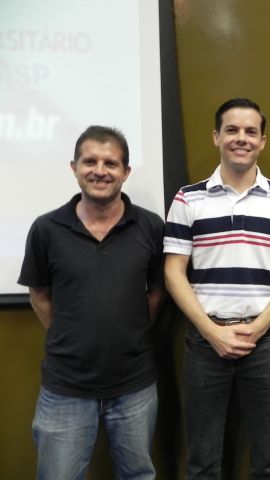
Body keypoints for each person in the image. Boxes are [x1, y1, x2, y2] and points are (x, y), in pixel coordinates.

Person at [163, 98, 270, 479]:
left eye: (250, 132)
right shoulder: (187, 198)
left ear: (262, 141)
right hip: (204, 342)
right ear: (216, 137)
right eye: (231, 130)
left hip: (265, 342)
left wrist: (256, 329)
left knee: (269, 463)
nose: (241, 138)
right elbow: (173, 272)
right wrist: (212, 332)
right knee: (202, 462)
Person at [18, 126, 165, 479]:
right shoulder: (46, 229)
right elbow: (39, 294)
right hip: (65, 387)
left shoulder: (150, 227)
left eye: (111, 163)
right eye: (90, 162)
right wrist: (69, 334)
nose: (100, 171)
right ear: (74, 167)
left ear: (126, 172)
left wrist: (128, 331)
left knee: (139, 475)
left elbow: (157, 292)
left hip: (135, 385)